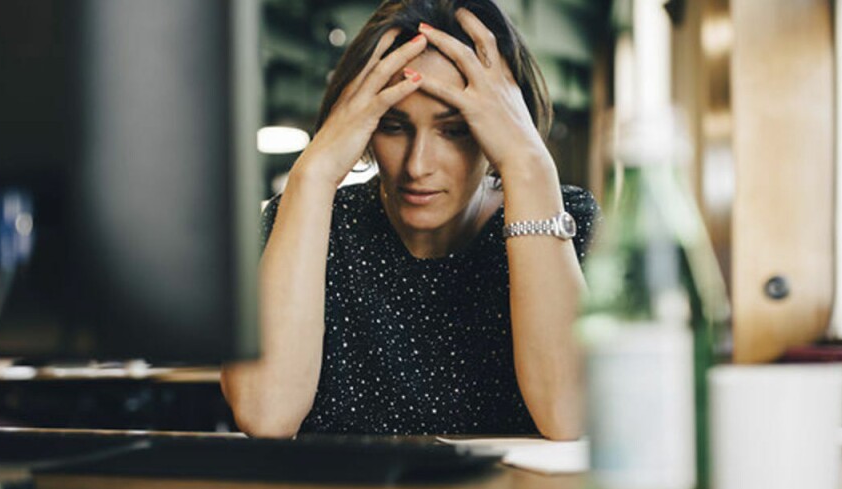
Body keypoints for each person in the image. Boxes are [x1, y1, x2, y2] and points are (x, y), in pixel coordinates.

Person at [221, 0, 598, 440]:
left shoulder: (564, 219)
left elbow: (571, 417)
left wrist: (527, 164)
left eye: (455, 129)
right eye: (393, 126)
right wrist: (315, 172)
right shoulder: (311, 221)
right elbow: (265, 415)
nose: (418, 165)